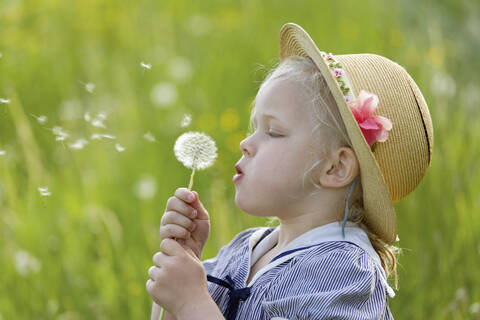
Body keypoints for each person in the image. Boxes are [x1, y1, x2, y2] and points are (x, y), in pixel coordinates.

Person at [146, 22, 434, 320]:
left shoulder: (343, 272)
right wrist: (185, 262)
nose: (245, 143)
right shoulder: (244, 248)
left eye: (273, 131)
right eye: (254, 127)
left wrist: (193, 303)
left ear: (335, 168)